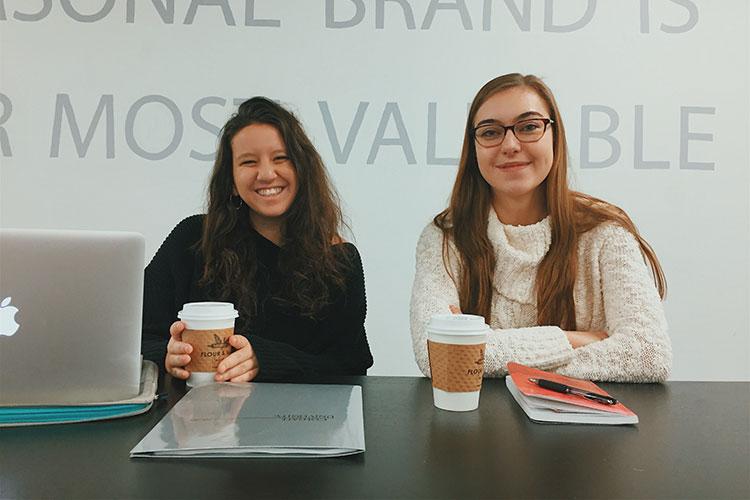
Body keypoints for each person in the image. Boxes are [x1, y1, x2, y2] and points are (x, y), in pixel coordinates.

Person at [410, 73, 672, 382]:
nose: (510, 144)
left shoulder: (606, 233)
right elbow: (436, 354)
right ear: (474, 148)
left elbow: (649, 354)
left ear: (555, 137)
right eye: (491, 132)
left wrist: (480, 346)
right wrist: (574, 340)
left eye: (529, 127)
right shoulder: (444, 237)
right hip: (479, 427)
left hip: (587, 429)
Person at [141, 97, 373, 382]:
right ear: (232, 182)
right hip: (195, 421)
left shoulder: (339, 261)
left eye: (281, 158)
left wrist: (265, 359)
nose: (266, 174)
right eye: (249, 162)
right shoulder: (192, 240)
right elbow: (131, 338)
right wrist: (166, 354)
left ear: (303, 169)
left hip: (298, 424)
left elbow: (350, 365)